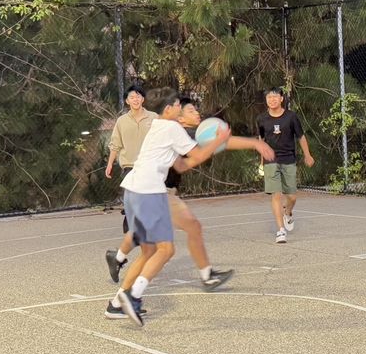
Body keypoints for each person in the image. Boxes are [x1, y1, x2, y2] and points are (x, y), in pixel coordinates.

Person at [105, 96, 275, 302]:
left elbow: (185, 164)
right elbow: (215, 145)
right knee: (156, 249)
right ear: (180, 117)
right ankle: (123, 293)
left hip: (151, 192)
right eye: (191, 110)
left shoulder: (178, 131)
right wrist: (252, 143)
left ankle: (120, 276)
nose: (197, 113)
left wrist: (245, 144)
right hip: (155, 193)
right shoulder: (177, 131)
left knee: (165, 239)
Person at [106, 88, 232, 326]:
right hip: (148, 191)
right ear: (168, 109)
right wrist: (219, 140)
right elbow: (197, 154)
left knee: (149, 252)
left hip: (133, 191)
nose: (179, 108)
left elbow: (182, 165)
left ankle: (116, 304)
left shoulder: (157, 127)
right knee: (166, 250)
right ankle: (132, 296)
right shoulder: (172, 128)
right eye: (176, 105)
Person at [104, 85, 155, 281]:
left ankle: (119, 256)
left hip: (150, 169)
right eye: (132, 97)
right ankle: (127, 254)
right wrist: (110, 164)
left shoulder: (153, 118)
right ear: (127, 101)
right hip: (130, 170)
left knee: (147, 214)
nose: (135, 99)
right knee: (136, 215)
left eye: (138, 96)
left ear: (143, 99)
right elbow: (115, 144)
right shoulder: (121, 121)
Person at [256, 88, 314, 244]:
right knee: (276, 195)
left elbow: (301, 137)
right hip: (270, 161)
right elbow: (261, 141)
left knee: (292, 196)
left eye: (275, 97)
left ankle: (287, 212)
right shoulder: (261, 119)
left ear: (281, 99)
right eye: (269, 97)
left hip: (288, 159)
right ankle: (281, 231)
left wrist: (307, 155)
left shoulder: (291, 116)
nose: (272, 99)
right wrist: (261, 162)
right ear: (266, 100)